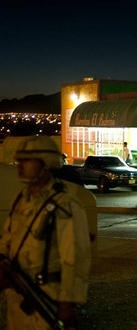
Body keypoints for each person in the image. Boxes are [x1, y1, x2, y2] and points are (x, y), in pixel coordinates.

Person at [0, 135, 91, 329]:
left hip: (47, 297)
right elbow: (8, 237)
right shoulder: (20, 198)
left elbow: (75, 257)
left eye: (27, 160)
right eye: (20, 160)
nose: (20, 165)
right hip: (16, 299)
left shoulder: (65, 204)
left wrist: (68, 303)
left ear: (45, 164)